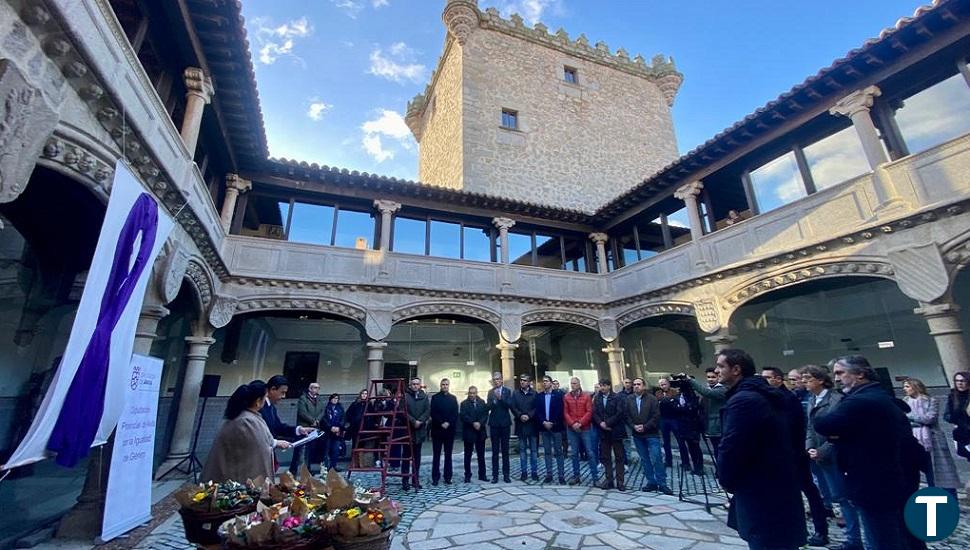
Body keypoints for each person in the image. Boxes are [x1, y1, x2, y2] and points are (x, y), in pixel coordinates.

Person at [814, 356, 912, 550]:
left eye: (841, 373)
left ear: (860, 374)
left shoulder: (860, 401)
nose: (837, 379)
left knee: (881, 535)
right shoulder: (876, 395)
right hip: (884, 473)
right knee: (892, 531)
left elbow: (823, 424)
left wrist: (835, 432)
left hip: (871, 476)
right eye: (835, 374)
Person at [716, 349, 806, 550]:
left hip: (760, 487)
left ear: (737, 369)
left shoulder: (745, 400)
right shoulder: (767, 396)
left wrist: (726, 479)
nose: (717, 370)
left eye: (721, 366)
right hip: (778, 483)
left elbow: (733, 446)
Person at [762, 366, 828, 546]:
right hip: (784, 454)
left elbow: (789, 427)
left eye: (767, 378)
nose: (764, 381)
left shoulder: (786, 399)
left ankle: (820, 529)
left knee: (808, 490)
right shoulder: (776, 398)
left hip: (794, 453)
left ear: (777, 379)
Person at [803, 365, 862, 550]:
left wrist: (822, 450)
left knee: (845, 498)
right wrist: (810, 447)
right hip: (820, 456)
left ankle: (854, 539)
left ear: (820, 380)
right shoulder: (812, 399)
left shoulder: (836, 400)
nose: (805, 381)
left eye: (808, 378)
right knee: (833, 495)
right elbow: (810, 428)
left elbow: (840, 431)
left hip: (835, 455)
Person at [202, 381, 289, 483]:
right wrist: (273, 444)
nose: (266, 401)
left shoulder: (246, 417)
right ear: (258, 401)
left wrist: (273, 443)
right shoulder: (247, 421)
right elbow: (260, 448)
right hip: (236, 476)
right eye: (265, 397)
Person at [903, 377, 961, 496]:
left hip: (933, 439)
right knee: (922, 470)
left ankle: (948, 497)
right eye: (904, 386)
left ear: (915, 387)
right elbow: (904, 419)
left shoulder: (931, 400)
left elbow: (929, 418)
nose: (905, 389)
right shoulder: (905, 402)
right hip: (914, 439)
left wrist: (911, 417)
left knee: (941, 472)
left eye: (907, 386)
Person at [260, 375, 313, 475]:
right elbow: (258, 433)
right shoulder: (260, 407)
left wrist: (298, 430)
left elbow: (279, 427)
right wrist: (275, 442)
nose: (284, 396)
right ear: (272, 389)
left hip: (268, 453)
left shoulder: (271, 407)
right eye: (282, 392)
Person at [627, 377, 670, 494]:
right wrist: (633, 426)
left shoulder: (652, 399)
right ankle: (651, 482)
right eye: (634, 384)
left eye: (639, 384)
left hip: (651, 434)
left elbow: (656, 416)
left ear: (644, 386)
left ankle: (662, 483)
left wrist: (644, 426)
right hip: (637, 435)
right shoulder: (629, 399)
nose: (636, 386)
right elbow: (627, 416)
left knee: (656, 458)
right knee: (644, 459)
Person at [592, 378, 626, 490]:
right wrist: (601, 423)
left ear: (609, 386)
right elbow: (595, 413)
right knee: (605, 457)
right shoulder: (597, 398)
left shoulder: (617, 397)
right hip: (603, 432)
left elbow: (620, 413)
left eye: (604, 385)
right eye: (601, 385)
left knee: (619, 457)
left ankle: (620, 481)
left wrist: (608, 423)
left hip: (615, 431)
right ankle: (609, 480)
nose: (602, 387)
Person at [564, 377, 598, 485]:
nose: (573, 385)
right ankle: (576, 476)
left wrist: (580, 423)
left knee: (590, 452)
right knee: (574, 453)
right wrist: (573, 423)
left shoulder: (586, 396)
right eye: (571, 383)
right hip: (572, 428)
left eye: (575, 383)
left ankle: (595, 477)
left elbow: (589, 411)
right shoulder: (566, 396)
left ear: (579, 384)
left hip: (585, 428)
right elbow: (566, 412)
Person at [534, 375, 566, 484]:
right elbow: (538, 411)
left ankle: (561, 475)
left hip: (556, 427)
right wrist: (543, 422)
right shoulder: (539, 396)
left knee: (558, 451)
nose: (544, 383)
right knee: (547, 451)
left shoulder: (558, 395)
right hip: (544, 427)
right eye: (543, 381)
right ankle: (549, 474)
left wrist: (552, 422)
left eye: (546, 381)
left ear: (551, 383)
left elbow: (560, 410)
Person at [688, 367, 726, 455]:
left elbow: (708, 393)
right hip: (710, 427)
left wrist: (690, 380)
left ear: (718, 377)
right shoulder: (708, 388)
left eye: (713, 377)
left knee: (721, 452)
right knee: (716, 451)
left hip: (720, 427)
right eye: (708, 377)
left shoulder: (722, 389)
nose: (710, 379)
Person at [430, 378, 458, 485]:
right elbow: (433, 412)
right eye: (443, 384)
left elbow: (455, 413)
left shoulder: (453, 398)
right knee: (436, 455)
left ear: (449, 385)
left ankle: (448, 477)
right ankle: (435, 478)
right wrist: (441, 422)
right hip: (437, 430)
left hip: (449, 431)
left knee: (448, 455)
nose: (445, 386)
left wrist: (448, 423)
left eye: (446, 384)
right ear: (440, 385)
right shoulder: (435, 398)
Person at [403, 377, 430, 490]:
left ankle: (415, 479)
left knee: (417, 458)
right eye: (413, 384)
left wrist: (420, 421)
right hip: (408, 430)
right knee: (406, 457)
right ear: (410, 385)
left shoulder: (424, 397)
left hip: (419, 431)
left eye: (417, 384)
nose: (415, 386)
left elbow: (427, 411)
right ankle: (405, 480)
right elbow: (403, 411)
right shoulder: (405, 397)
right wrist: (413, 421)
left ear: (420, 385)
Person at [511, 374, 539, 482]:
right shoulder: (516, 393)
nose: (522, 382)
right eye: (521, 380)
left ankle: (534, 472)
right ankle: (524, 472)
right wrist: (520, 415)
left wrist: (529, 415)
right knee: (522, 450)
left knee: (533, 451)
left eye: (524, 380)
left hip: (532, 425)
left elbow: (537, 408)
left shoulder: (534, 393)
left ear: (529, 382)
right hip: (521, 425)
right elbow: (513, 407)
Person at [486, 372, 513, 483]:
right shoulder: (490, 392)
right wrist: (494, 401)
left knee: (505, 451)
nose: (496, 381)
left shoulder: (507, 391)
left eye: (498, 379)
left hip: (505, 424)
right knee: (495, 451)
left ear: (502, 380)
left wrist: (500, 398)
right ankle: (495, 476)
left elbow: (509, 405)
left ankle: (506, 475)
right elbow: (488, 406)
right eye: (494, 379)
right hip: (494, 424)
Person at [460, 385, 488, 483]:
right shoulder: (464, 404)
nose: (472, 395)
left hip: (480, 432)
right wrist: (473, 423)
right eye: (470, 393)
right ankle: (467, 475)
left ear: (477, 393)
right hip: (469, 432)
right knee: (468, 455)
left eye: (474, 393)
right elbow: (463, 416)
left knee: (481, 455)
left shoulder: (482, 402)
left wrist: (480, 423)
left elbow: (485, 414)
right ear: (468, 393)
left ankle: (482, 474)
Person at [296, 382, 325, 472]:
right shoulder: (303, 398)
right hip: (304, 427)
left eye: (318, 388)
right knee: (303, 450)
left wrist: (317, 421)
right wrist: (312, 421)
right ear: (310, 389)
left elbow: (322, 411)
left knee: (312, 449)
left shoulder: (319, 399)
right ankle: (299, 469)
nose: (317, 389)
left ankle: (309, 468)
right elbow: (302, 412)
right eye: (315, 388)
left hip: (315, 428)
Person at [943, 371, 970, 464]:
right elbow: (946, 415)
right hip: (962, 433)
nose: (960, 383)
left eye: (963, 381)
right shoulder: (952, 396)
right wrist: (955, 420)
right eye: (957, 381)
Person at [344, 389, 372, 467]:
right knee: (355, 444)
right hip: (355, 428)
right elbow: (348, 414)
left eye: (366, 394)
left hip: (365, 427)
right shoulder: (355, 404)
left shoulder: (369, 404)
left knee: (362, 444)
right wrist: (352, 422)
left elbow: (372, 415)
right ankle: (354, 462)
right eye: (363, 393)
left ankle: (361, 463)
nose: (364, 395)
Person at [319, 393, 345, 472]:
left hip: (337, 433)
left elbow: (343, 419)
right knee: (326, 451)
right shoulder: (326, 408)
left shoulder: (340, 408)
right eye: (334, 398)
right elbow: (323, 419)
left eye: (337, 399)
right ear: (330, 399)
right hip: (328, 432)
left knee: (336, 450)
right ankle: (325, 467)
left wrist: (339, 427)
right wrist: (330, 427)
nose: (335, 400)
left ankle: (333, 466)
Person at [656, 378, 676, 468]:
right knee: (666, 442)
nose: (663, 386)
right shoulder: (658, 393)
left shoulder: (674, 392)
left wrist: (664, 400)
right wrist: (668, 400)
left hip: (674, 418)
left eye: (664, 384)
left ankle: (685, 462)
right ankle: (668, 461)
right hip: (663, 419)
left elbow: (673, 401)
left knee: (680, 440)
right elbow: (658, 402)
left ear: (668, 384)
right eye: (661, 385)